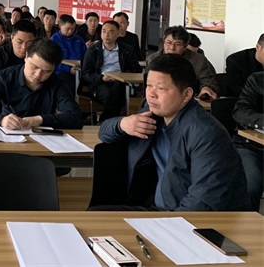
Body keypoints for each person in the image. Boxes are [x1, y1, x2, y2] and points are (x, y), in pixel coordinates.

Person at [96, 54, 249, 211]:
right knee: (95, 215)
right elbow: (104, 134)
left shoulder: (206, 134)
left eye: (161, 88)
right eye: (149, 86)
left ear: (187, 94)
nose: (151, 94)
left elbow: (203, 201)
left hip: (181, 216)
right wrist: (122, 124)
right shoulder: (152, 114)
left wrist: (169, 222)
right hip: (152, 207)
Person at [0, 38, 83, 129]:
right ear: (26, 57)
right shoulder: (3, 78)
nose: (38, 75)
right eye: (34, 67)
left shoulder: (57, 84)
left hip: (42, 139)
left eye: (46, 71)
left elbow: (76, 117)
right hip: (8, 135)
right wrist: (2, 120)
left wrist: (39, 120)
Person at [80, 20, 141, 121]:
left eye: (111, 32)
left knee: (118, 89)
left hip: (121, 82)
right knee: (109, 95)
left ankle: (106, 119)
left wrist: (122, 76)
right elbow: (85, 73)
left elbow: (136, 69)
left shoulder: (127, 50)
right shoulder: (93, 50)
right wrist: (101, 78)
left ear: (118, 33)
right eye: (104, 31)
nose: (106, 35)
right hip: (100, 82)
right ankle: (112, 120)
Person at [146, 26, 219, 100]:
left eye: (177, 44)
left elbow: (209, 82)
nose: (172, 48)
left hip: (188, 100)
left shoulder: (199, 61)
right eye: (168, 43)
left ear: (185, 46)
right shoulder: (153, 59)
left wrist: (206, 88)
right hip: (159, 98)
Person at [232, 72, 263, 211]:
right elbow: (240, 111)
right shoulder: (257, 80)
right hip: (251, 146)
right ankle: (247, 222)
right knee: (251, 185)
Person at [0, 20, 36, 89]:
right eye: (20, 42)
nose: (24, 47)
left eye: (29, 43)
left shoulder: (37, 58)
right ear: (12, 38)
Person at [49, 14, 87, 90]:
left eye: (73, 29)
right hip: (61, 72)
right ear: (60, 25)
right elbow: (52, 61)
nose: (70, 31)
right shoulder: (53, 40)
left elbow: (86, 56)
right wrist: (68, 69)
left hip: (79, 69)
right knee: (68, 84)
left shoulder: (79, 39)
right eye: (68, 29)